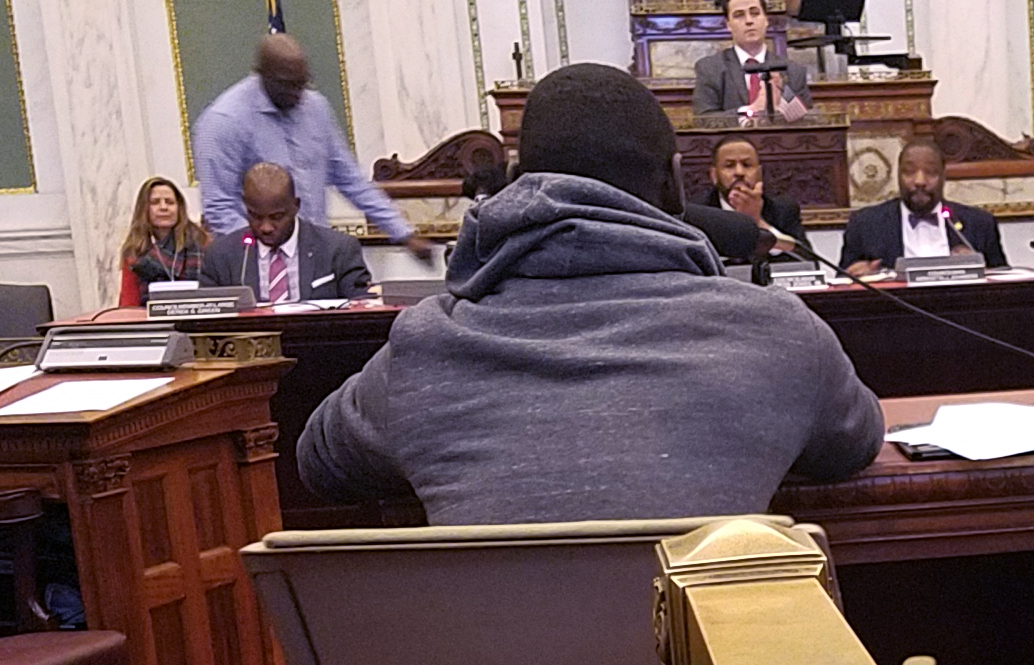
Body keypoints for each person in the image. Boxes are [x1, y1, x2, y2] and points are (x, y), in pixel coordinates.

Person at [296, 62, 884, 525]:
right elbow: (852, 445)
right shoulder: (780, 332)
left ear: (522, 182)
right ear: (678, 184)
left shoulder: (427, 344)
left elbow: (320, 461)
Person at [192, 34, 432, 259]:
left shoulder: (316, 108)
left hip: (317, 256)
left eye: (302, 83)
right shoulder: (223, 121)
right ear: (262, 74)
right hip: (258, 260)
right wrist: (265, 255)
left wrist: (403, 232)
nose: (297, 93)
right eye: (287, 84)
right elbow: (219, 207)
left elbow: (350, 179)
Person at [197, 163, 373, 302]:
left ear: (296, 206)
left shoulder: (338, 250)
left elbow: (362, 308)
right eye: (256, 216)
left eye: (277, 217)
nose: (266, 227)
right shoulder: (221, 255)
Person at [839, 140, 1007, 275]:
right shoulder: (865, 224)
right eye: (909, 172)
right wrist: (857, 278)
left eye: (931, 172)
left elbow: (1004, 282)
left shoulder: (979, 223)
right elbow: (841, 285)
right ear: (898, 175)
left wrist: (981, 271)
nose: (920, 181)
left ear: (943, 176)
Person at [691, 0, 812, 120]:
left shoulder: (793, 71)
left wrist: (779, 111)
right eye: (739, 15)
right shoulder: (710, 69)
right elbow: (703, 119)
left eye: (755, 13)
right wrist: (749, 112)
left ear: (766, 20)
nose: (749, 21)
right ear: (728, 25)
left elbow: (808, 120)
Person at [693, 135, 806, 242]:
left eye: (747, 165)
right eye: (729, 165)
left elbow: (806, 259)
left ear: (759, 173)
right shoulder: (697, 214)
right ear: (714, 175)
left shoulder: (782, 209)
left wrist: (757, 222)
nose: (739, 172)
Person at [116, 177, 209, 306]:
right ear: (144, 209)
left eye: (170, 202)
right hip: (152, 323)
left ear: (179, 208)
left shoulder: (202, 242)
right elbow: (128, 306)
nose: (163, 207)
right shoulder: (134, 253)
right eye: (155, 202)